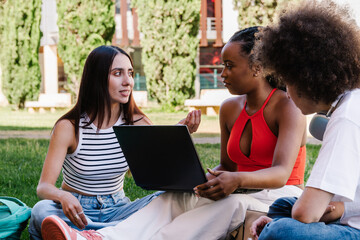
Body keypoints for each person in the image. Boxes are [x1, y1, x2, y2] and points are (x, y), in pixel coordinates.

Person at [40, 27, 308, 240]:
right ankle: (99, 238)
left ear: (257, 68)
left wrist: (235, 180)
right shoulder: (229, 108)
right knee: (174, 198)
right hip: (243, 187)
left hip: (281, 193)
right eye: (118, 73)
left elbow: (282, 174)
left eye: (229, 65)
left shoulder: (288, 107)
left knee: (233, 204)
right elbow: (227, 168)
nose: (222, 73)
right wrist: (208, 180)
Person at [28, 45, 201, 240]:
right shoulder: (69, 127)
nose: (128, 81)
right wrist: (63, 196)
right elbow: (43, 187)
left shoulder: (137, 123)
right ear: (97, 78)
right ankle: (109, 233)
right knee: (41, 210)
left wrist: (174, 137)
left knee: (175, 197)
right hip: (75, 210)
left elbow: (160, 174)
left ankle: (87, 236)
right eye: (117, 73)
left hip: (119, 209)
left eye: (130, 73)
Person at [248, 0, 360, 239]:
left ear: (308, 77)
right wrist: (342, 209)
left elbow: (306, 213)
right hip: (349, 215)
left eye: (287, 79)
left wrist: (293, 219)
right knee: (281, 206)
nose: (286, 92)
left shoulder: (347, 117)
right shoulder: (350, 103)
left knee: (282, 230)